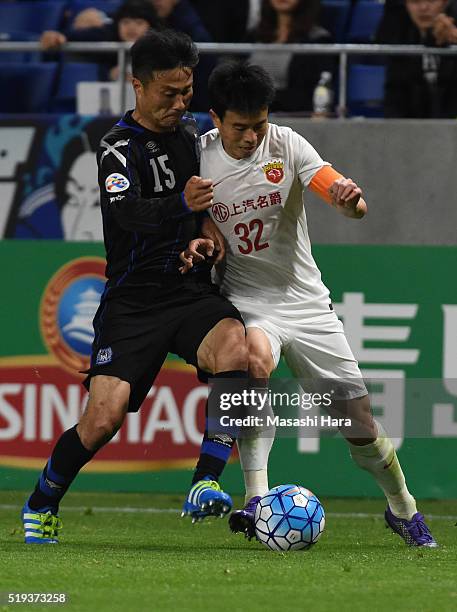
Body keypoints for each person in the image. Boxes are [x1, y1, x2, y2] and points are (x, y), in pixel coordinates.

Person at [181, 61, 438, 547]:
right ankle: (257, 503)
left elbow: (345, 199)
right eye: (240, 127)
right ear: (215, 118)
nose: (252, 137)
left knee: (356, 422)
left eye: (259, 124)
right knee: (254, 362)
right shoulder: (199, 156)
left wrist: (347, 199)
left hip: (305, 302)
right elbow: (186, 218)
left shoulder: (288, 144)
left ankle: (402, 507)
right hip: (246, 299)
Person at [21, 30, 249, 544]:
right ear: (137, 87)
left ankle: (205, 482)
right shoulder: (116, 149)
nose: (179, 103)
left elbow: (200, 206)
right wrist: (184, 208)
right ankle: (42, 501)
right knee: (102, 419)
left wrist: (203, 233)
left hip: (188, 291)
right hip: (133, 300)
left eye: (186, 92)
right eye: (168, 93)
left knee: (237, 346)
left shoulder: (192, 134)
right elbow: (126, 214)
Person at [247, 0, 335, 113]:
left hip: (289, 116)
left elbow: (307, 94)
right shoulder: (254, 34)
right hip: (248, 112)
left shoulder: (318, 39)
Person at [376, 0, 457, 118]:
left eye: (431, 1)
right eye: (415, 1)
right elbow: (394, 100)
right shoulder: (399, 36)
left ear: (445, 2)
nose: (423, 8)